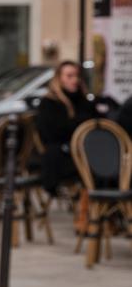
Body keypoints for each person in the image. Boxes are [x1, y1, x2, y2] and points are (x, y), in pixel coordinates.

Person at [36, 60, 98, 195]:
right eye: (69, 76)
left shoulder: (84, 100)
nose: (75, 80)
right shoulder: (49, 103)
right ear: (59, 79)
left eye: (76, 76)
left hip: (88, 153)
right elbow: (52, 133)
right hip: (63, 157)